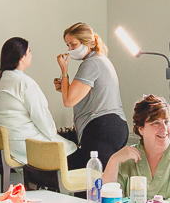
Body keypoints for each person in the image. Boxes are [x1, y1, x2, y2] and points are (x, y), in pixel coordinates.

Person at [0, 36, 73, 167]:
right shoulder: (25, 83)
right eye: (29, 51)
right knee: (72, 150)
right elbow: (41, 117)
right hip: (21, 144)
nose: (31, 55)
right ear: (22, 57)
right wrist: (54, 133)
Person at [52, 21, 126, 173]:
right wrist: (65, 88)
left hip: (102, 128)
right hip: (113, 126)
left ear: (86, 42)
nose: (70, 50)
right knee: (101, 179)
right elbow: (85, 95)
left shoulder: (91, 64)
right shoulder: (100, 60)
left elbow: (68, 101)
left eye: (73, 44)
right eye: (68, 45)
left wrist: (64, 71)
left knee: (91, 182)